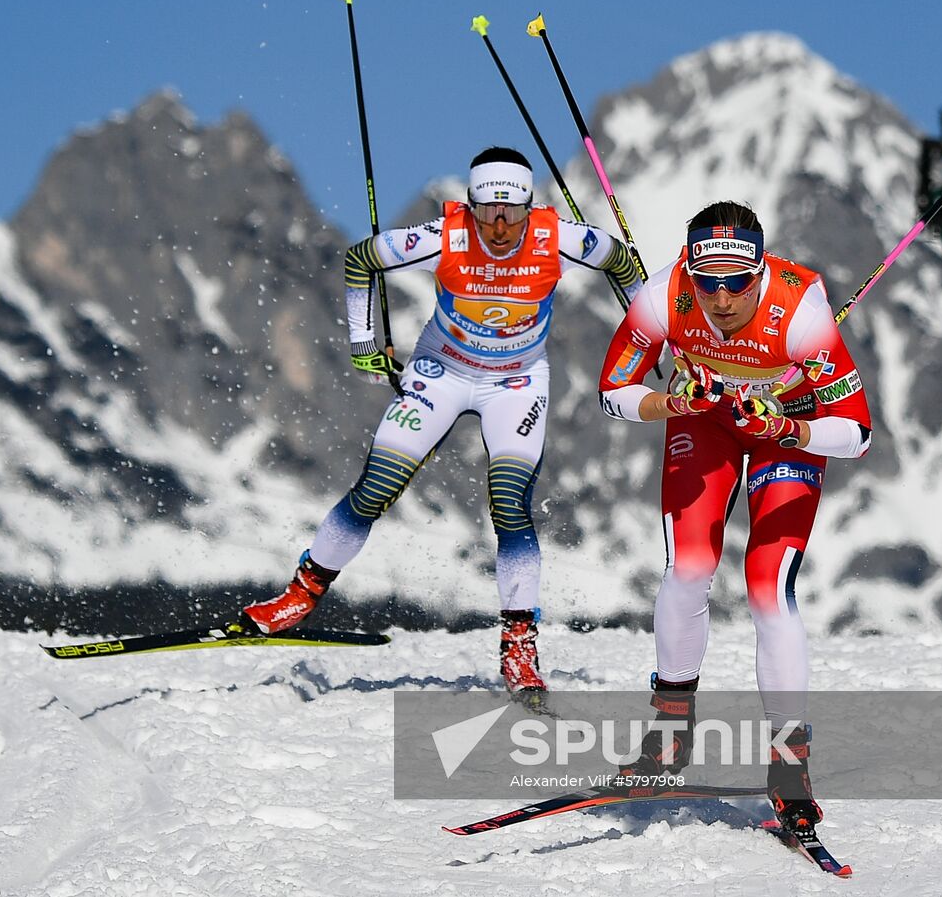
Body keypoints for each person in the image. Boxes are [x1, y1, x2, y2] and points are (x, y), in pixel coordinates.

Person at [242, 146, 643, 699]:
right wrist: (364, 345)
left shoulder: (559, 238)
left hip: (517, 382)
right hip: (442, 371)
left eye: (513, 212)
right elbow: (362, 259)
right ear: (470, 204)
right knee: (374, 489)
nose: (500, 227)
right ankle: (301, 594)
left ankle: (519, 645)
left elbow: (621, 262)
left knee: (508, 504)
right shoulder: (445, 236)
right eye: (487, 212)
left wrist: (648, 338)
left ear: (531, 206)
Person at [596, 200, 872, 839]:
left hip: (785, 430)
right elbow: (613, 391)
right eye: (707, 280)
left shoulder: (802, 311)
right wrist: (669, 400)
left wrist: (787, 425)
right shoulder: (663, 296)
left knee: (768, 589)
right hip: (704, 422)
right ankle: (669, 733)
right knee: (688, 569)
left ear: (761, 273)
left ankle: (789, 767)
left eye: (737, 282)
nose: (721, 298)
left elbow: (856, 432)